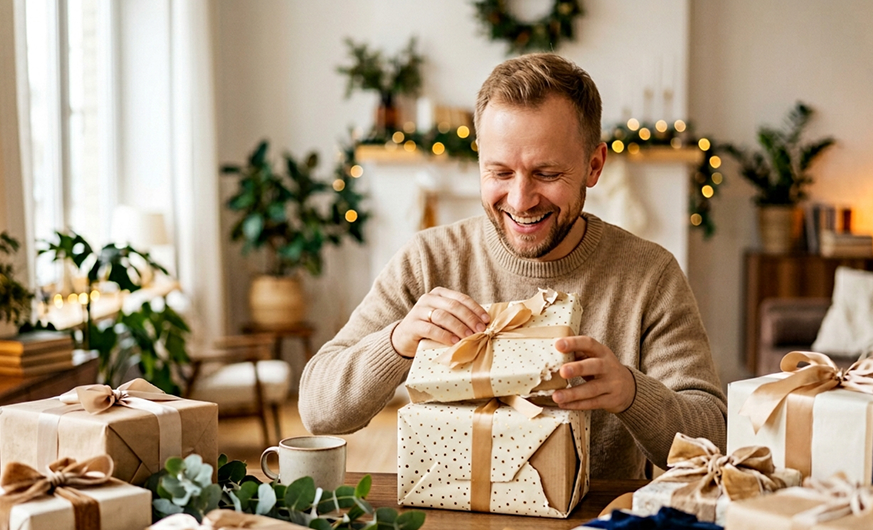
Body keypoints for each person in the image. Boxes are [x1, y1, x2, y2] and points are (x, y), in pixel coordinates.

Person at [299, 53, 726, 479]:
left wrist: (632, 394)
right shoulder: (428, 260)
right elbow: (318, 412)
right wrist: (395, 342)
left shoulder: (650, 275)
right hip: (444, 524)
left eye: (547, 173)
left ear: (593, 166)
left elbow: (715, 435)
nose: (521, 201)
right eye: (500, 172)